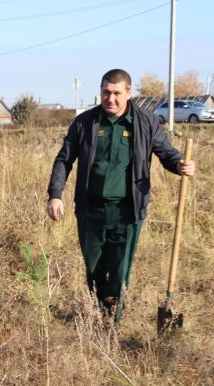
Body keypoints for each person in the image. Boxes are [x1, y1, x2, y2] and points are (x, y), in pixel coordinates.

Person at [46, 68, 195, 323]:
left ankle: (110, 321)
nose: (110, 99)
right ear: (100, 92)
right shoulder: (85, 123)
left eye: (116, 93)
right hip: (90, 210)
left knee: (119, 270)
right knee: (94, 269)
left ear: (129, 93)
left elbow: (166, 152)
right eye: (106, 92)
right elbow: (64, 159)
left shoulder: (146, 122)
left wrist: (180, 164)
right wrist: (55, 194)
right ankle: (98, 309)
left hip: (128, 211)